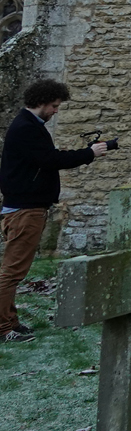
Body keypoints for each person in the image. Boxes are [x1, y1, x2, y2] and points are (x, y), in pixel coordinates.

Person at [1, 79, 110, 343]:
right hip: (25, 210)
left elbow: (45, 159)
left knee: (14, 270)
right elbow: (50, 160)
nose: (56, 111)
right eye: (54, 106)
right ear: (40, 101)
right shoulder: (26, 128)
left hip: (26, 207)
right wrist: (89, 153)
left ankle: (10, 321)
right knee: (12, 272)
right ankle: (4, 329)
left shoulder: (28, 126)